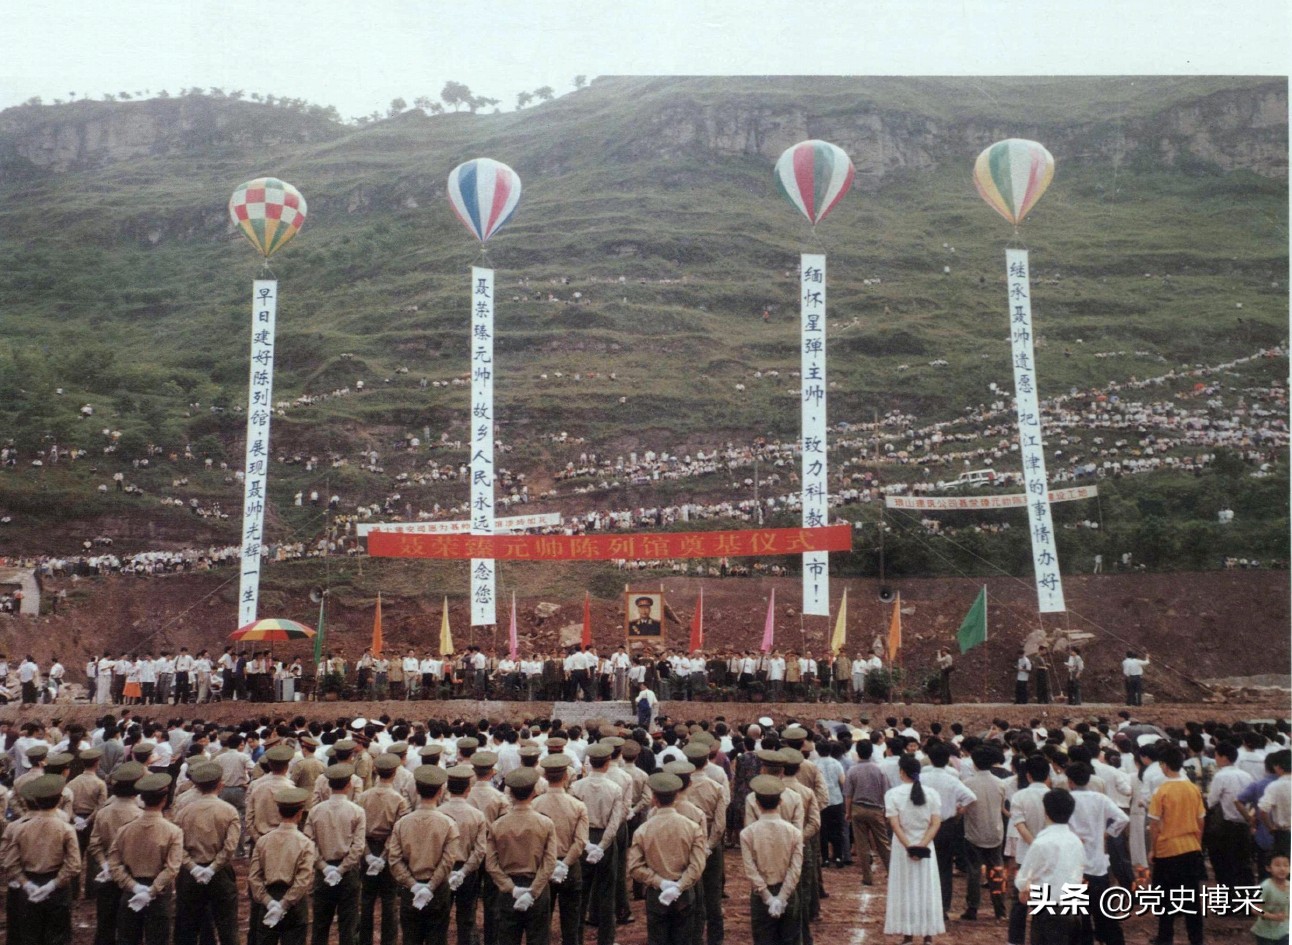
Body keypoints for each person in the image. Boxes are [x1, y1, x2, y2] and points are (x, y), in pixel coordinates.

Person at [627, 771, 709, 945]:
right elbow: (697, 865)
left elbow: (634, 867)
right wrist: (679, 886)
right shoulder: (692, 827)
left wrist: (660, 882)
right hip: (685, 894)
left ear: (654, 799)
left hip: (657, 894)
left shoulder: (643, 830)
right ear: (675, 796)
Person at [385, 765, 461, 945]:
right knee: (437, 938)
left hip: (410, 889)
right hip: (438, 890)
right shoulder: (449, 824)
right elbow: (448, 861)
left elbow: (394, 860)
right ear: (441, 791)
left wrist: (414, 886)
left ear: (417, 790)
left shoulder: (402, 824)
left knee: (411, 937)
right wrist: (430, 887)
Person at [4, 774, 81, 945]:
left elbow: (10, 863)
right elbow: (74, 865)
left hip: (29, 885)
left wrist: (26, 884)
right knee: (57, 936)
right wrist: (53, 884)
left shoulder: (20, 828)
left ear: (35, 801)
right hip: (58, 889)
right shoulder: (66, 828)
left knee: (30, 935)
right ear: (59, 800)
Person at [107, 772, 184, 945]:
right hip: (159, 894)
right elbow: (172, 868)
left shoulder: (125, 830)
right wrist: (151, 891)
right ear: (164, 800)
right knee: (158, 939)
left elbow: (113, 864)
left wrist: (134, 887)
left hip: (130, 892)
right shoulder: (173, 831)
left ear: (142, 799)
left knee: (128, 939)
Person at [484, 767, 558, 945]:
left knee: (508, 938)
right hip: (537, 887)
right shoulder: (545, 823)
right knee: (539, 938)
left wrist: (511, 888)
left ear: (510, 793)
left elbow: (491, 865)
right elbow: (549, 863)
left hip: (509, 890)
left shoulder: (498, 825)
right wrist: (533, 891)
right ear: (533, 792)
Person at [172, 763, 241, 945]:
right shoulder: (229, 811)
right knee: (227, 926)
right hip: (220, 874)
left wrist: (193, 867)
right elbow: (230, 846)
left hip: (190, 874)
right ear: (219, 784)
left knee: (187, 926)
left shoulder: (184, 812)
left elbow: (177, 846)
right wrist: (213, 868)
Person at [1147, 745, 1206, 945]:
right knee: (1191, 899)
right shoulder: (1193, 788)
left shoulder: (1161, 791)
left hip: (1167, 850)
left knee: (1165, 899)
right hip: (1190, 847)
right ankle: (1196, 939)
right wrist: (1197, 842)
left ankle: (1165, 938)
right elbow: (1200, 820)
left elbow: (1154, 825)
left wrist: (1153, 850)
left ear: (1164, 765)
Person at [304, 763, 367, 945]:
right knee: (348, 925)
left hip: (322, 872)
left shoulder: (316, 810)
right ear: (349, 785)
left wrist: (324, 868)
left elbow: (309, 843)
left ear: (329, 785)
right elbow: (358, 847)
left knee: (320, 925)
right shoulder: (357, 811)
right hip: (348, 872)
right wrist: (340, 870)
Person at [884, 755, 943, 944]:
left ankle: (908, 936)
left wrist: (910, 847)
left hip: (903, 848)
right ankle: (928, 936)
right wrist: (922, 845)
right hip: (925, 846)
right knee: (927, 888)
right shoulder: (932, 794)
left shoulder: (893, 794)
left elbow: (895, 825)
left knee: (904, 888)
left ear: (902, 772)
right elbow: (935, 823)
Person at [531, 754, 589, 945]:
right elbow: (580, 842)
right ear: (565, 776)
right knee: (571, 920)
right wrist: (564, 865)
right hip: (569, 866)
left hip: (541, 867)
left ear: (545, 777)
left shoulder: (535, 804)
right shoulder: (578, 805)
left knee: (541, 921)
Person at [1014, 789, 1085, 945]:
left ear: (1045, 811)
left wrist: (1024, 889)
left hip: (1048, 908)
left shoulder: (1041, 842)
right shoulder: (1075, 841)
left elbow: (1024, 878)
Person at [247, 787, 316, 945]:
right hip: (295, 904)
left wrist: (269, 902)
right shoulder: (305, 843)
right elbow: (303, 880)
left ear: (279, 812)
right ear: (299, 814)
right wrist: (284, 904)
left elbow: (254, 877)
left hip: (268, 899)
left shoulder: (263, 841)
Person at [740, 775, 804, 945]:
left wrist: (768, 897)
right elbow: (795, 868)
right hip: (788, 893)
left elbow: (750, 869)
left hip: (761, 897)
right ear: (781, 802)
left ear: (758, 804)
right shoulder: (794, 833)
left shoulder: (747, 833)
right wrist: (782, 897)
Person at [959, 746, 1007, 922]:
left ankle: (972, 908)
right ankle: (1000, 909)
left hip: (974, 832)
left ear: (974, 763)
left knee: (974, 872)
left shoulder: (967, 783)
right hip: (995, 832)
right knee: (997, 871)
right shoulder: (1001, 783)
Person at [1252, 848, 1290, 945]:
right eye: (1277, 865)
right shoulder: (1265, 886)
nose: (1282, 869)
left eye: (1286, 865)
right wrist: (1272, 916)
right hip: (1265, 933)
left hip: (1285, 931)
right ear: (1268, 868)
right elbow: (1255, 908)